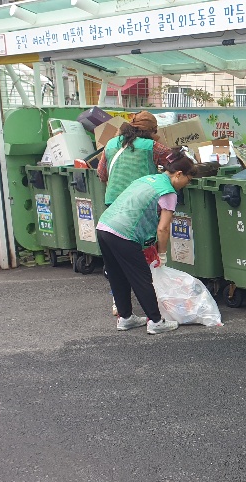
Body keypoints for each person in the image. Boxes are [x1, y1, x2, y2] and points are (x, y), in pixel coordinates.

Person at [95, 148, 196, 335]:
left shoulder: (148, 179)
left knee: (118, 275)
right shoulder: (169, 192)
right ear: (179, 174)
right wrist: (163, 254)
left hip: (104, 227)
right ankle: (156, 321)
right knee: (142, 278)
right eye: (188, 180)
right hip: (124, 233)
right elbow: (163, 228)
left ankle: (125, 318)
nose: (186, 184)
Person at [97, 111, 172, 317]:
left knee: (116, 261)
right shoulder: (152, 146)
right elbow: (174, 163)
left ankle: (118, 302)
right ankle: (155, 308)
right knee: (142, 257)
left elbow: (101, 173)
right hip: (138, 208)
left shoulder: (111, 144)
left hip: (112, 208)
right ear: (151, 132)